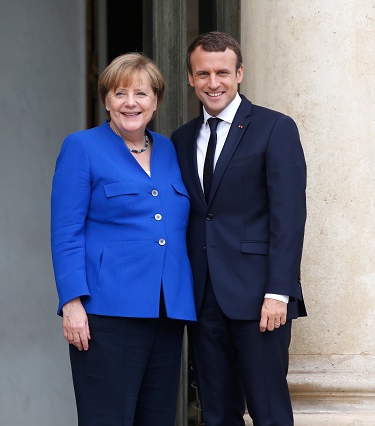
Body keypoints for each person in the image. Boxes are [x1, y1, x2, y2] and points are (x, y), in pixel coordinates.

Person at [50, 52, 196, 426]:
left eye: (141, 94)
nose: (131, 103)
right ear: (106, 101)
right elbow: (66, 231)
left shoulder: (169, 149)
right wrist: (72, 303)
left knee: (157, 419)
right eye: (120, 93)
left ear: (156, 101)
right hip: (105, 312)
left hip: (167, 311)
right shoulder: (81, 147)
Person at [171, 31, 307, 426]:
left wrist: (279, 293)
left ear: (240, 73)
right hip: (203, 297)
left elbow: (289, 216)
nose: (213, 83)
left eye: (222, 73)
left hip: (260, 297)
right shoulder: (180, 140)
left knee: (268, 411)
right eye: (203, 74)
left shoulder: (275, 128)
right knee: (216, 412)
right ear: (191, 79)